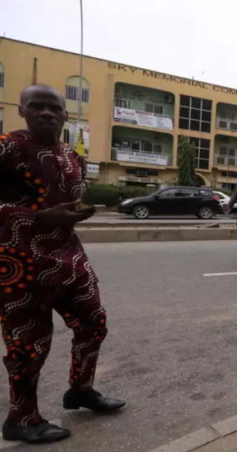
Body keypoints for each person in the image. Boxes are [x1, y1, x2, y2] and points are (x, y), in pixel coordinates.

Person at [0, 85, 124, 444]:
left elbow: (63, 206)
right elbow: (40, 212)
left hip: (69, 258)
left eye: (53, 108)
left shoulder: (72, 155)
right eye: (36, 106)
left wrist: (73, 213)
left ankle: (80, 391)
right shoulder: (7, 147)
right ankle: (21, 418)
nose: (45, 113)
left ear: (65, 115)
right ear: (22, 109)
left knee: (93, 324)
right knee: (29, 344)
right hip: (20, 262)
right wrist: (38, 217)